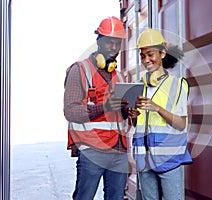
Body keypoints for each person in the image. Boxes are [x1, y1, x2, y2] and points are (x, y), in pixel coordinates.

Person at [63, 16, 129, 200]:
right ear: (99, 41)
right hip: (92, 150)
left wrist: (128, 111)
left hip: (119, 150)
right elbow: (71, 111)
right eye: (109, 42)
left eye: (118, 43)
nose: (114, 48)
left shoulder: (120, 76)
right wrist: (104, 106)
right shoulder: (80, 70)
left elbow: (120, 117)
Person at [128, 28, 192, 200]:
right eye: (142, 56)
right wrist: (134, 116)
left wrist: (157, 108)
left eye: (150, 54)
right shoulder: (138, 86)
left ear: (162, 53)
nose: (146, 60)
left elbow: (181, 123)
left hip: (169, 159)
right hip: (144, 160)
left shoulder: (178, 85)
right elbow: (138, 125)